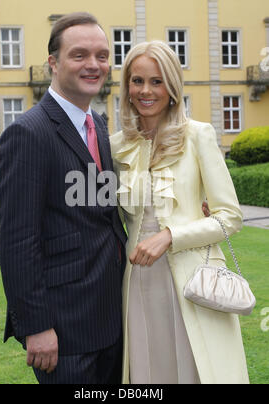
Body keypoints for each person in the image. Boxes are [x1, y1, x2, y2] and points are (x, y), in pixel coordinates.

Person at [0, 12, 127, 384]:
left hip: (110, 319)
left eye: (102, 55)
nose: (94, 65)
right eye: (80, 55)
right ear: (53, 62)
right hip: (63, 331)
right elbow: (17, 241)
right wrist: (36, 327)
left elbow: (104, 212)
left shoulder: (97, 125)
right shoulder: (27, 134)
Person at [110, 40, 250, 384]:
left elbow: (229, 216)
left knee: (195, 370)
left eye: (156, 81)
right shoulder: (115, 145)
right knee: (147, 370)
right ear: (126, 86)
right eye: (137, 80)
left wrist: (171, 236)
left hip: (193, 280)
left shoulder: (199, 135)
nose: (146, 90)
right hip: (137, 282)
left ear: (172, 87)